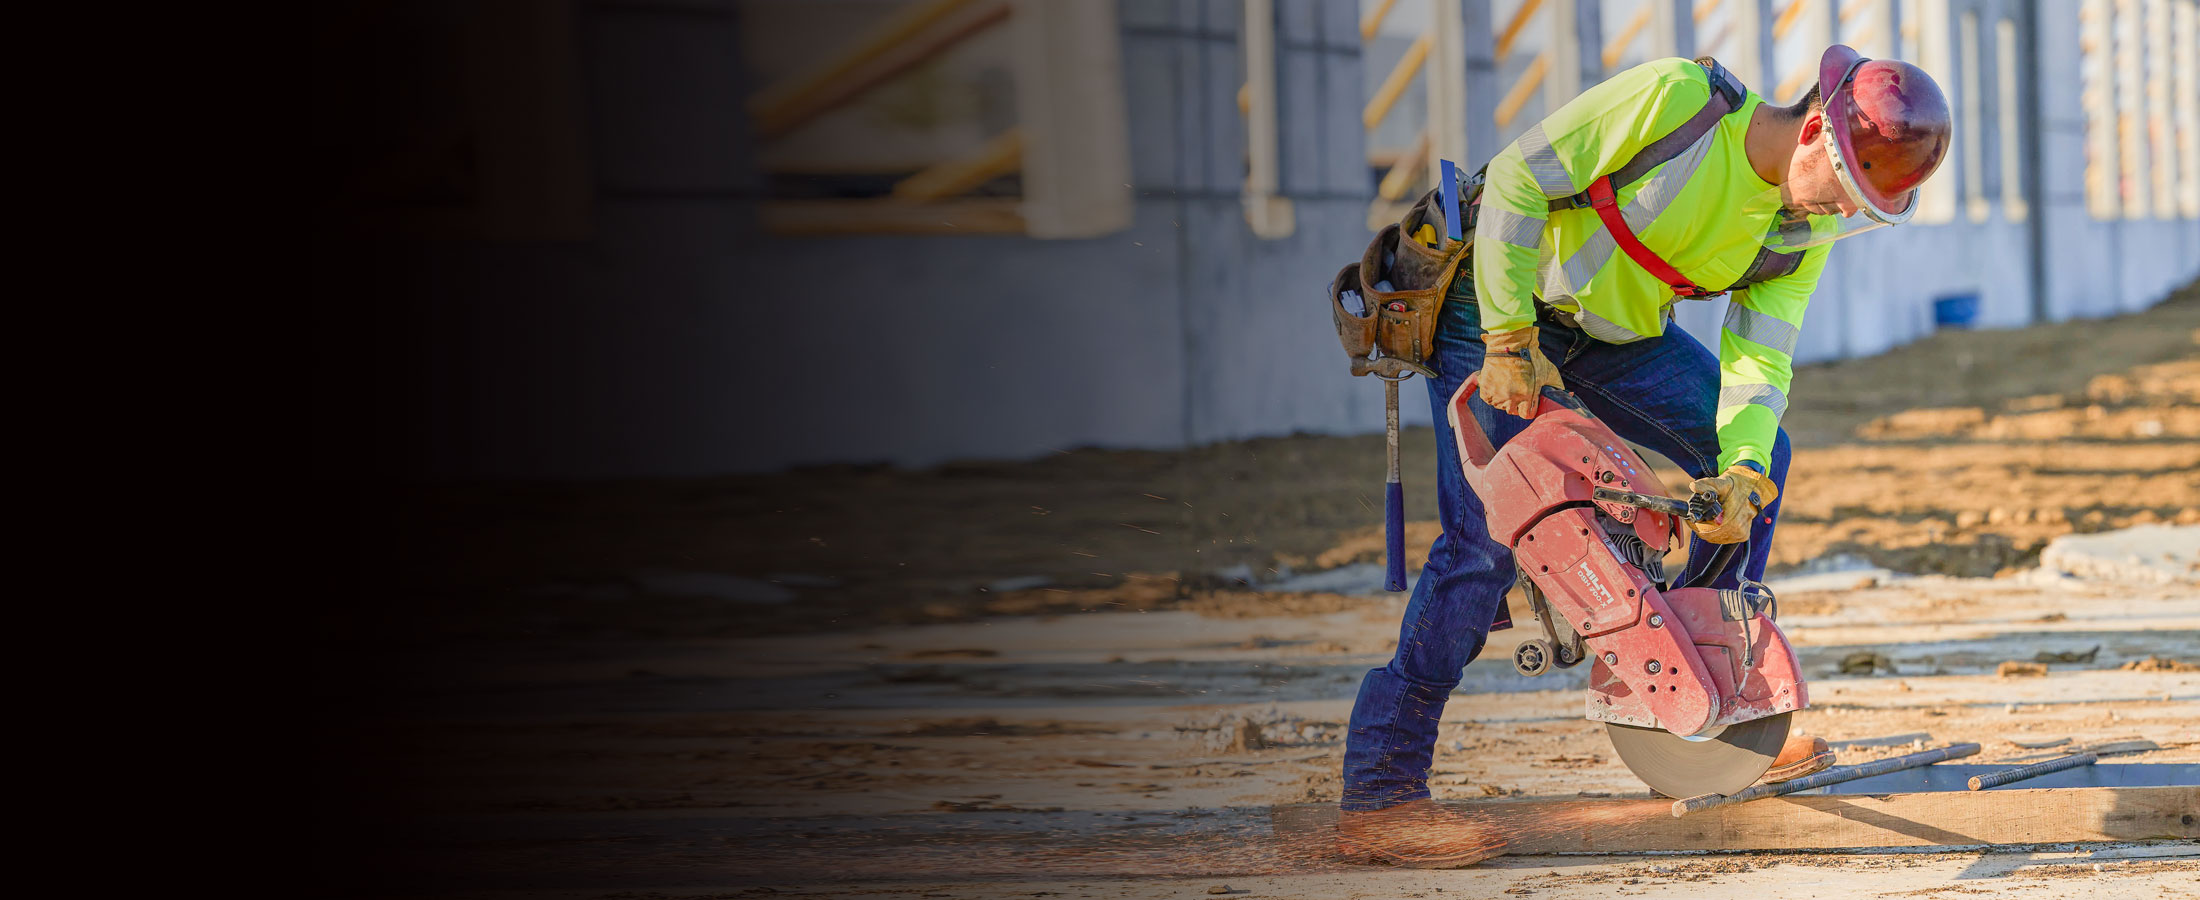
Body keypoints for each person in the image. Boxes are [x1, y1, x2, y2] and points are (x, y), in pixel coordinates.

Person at [1336, 45, 1950, 867]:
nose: (1839, 214)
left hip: (1616, 333)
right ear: (1812, 133)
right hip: (1498, 300)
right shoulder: (1677, 102)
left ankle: (1696, 706)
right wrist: (1509, 339)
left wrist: (1737, 472)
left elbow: (1760, 363)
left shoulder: (1801, 231)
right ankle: (1381, 791)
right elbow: (1518, 179)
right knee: (1486, 539)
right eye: (1845, 189)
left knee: (1762, 463)